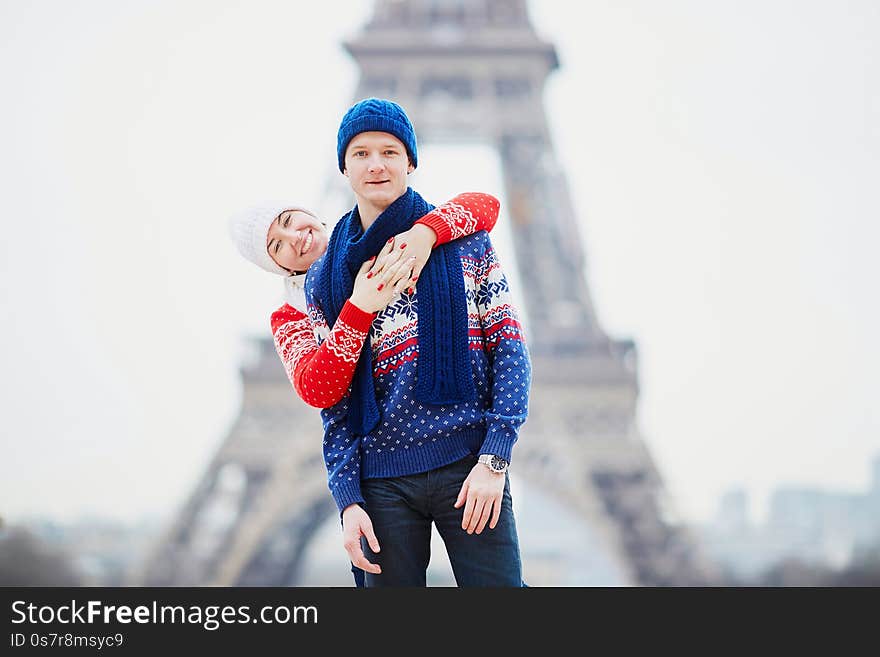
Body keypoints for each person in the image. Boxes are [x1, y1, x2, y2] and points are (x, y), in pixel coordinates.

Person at [302, 97, 532, 587]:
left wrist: (495, 458)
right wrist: (348, 501)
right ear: (344, 167)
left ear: (410, 161)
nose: (376, 164)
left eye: (389, 150)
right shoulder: (324, 279)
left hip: (469, 468)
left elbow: (510, 351)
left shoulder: (464, 241)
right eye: (361, 153)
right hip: (381, 481)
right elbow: (337, 401)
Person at [229, 193, 501, 585]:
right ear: (276, 266)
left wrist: (426, 233)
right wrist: (359, 306)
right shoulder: (292, 315)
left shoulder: (379, 237)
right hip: (381, 475)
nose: (294, 237)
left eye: (289, 219)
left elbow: (484, 206)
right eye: (276, 244)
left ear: (309, 212)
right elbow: (319, 390)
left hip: (458, 450)